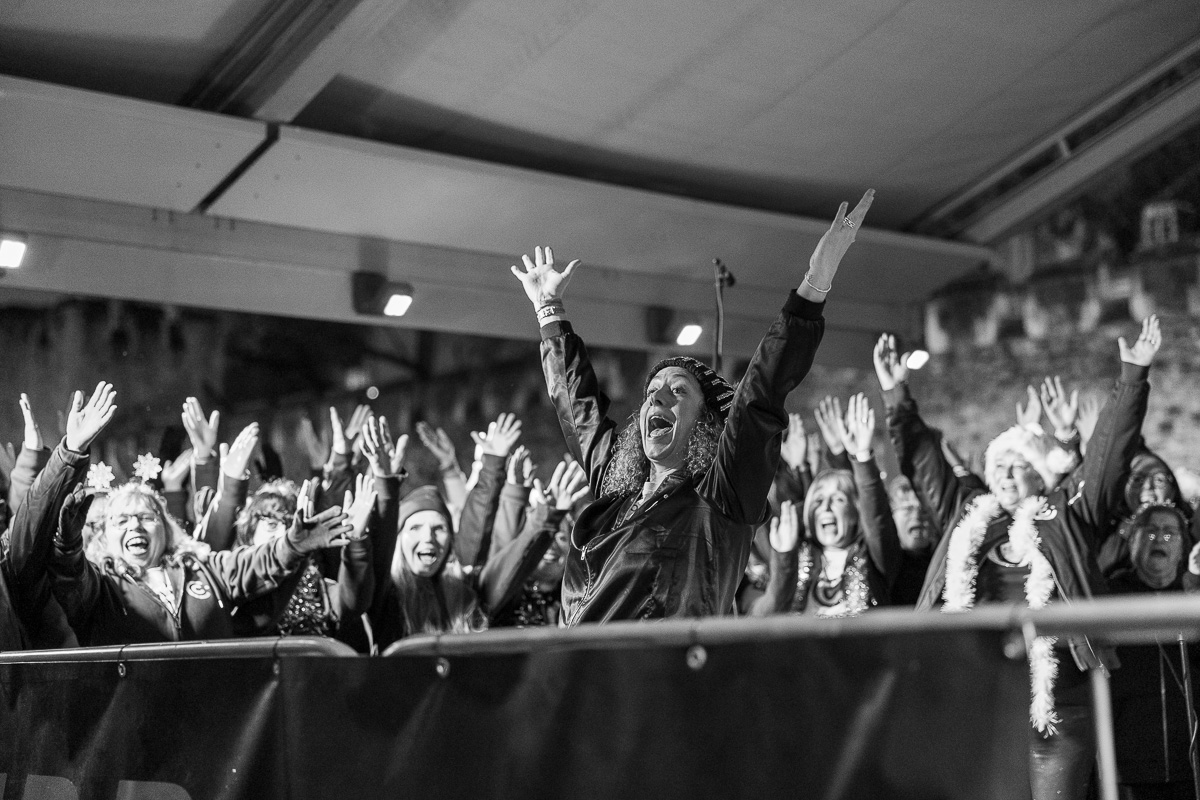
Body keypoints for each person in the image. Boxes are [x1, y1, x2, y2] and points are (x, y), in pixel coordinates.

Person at [511, 190, 874, 624]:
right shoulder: (619, 488)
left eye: (678, 391)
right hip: (582, 678)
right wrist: (548, 310)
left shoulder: (719, 498)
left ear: (705, 423)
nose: (657, 398)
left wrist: (814, 283)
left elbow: (760, 395)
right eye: (651, 393)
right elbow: (579, 412)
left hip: (664, 680)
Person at [878, 317, 1161, 800]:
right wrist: (897, 396)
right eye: (999, 466)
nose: (1007, 474)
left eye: (1020, 465)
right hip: (979, 697)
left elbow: (1107, 459)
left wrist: (1132, 378)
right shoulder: (969, 515)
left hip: (1059, 707)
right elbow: (925, 464)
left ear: (1043, 475)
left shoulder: (1067, 513)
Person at [49, 470, 358, 645]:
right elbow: (71, 579)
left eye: (146, 517)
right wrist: (67, 544)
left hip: (213, 719)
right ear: (105, 536)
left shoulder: (200, 567)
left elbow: (250, 563)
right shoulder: (100, 583)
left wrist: (290, 545)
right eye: (121, 520)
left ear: (167, 528)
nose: (135, 526)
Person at [753, 393, 900, 617]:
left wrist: (862, 457)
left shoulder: (875, 557)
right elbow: (757, 521)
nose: (826, 508)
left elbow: (877, 519)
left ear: (854, 513)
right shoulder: (798, 557)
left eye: (839, 499)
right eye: (819, 500)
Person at [1105, 503, 1200, 798]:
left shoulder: (1192, 599)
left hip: (1190, 766)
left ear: (1184, 547)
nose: (1159, 539)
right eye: (1150, 532)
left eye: (1170, 534)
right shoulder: (1108, 599)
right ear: (1132, 542)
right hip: (1127, 768)